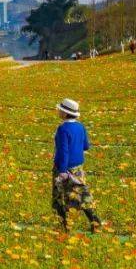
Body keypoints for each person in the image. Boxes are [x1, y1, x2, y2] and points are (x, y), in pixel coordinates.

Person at [52, 98, 101, 233]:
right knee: (82, 195)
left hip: (64, 169)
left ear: (65, 113)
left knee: (59, 197)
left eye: (60, 110)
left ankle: (64, 227)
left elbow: (63, 151)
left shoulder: (63, 129)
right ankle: (95, 221)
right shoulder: (80, 127)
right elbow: (86, 146)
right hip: (78, 168)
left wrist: (62, 171)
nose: (58, 111)